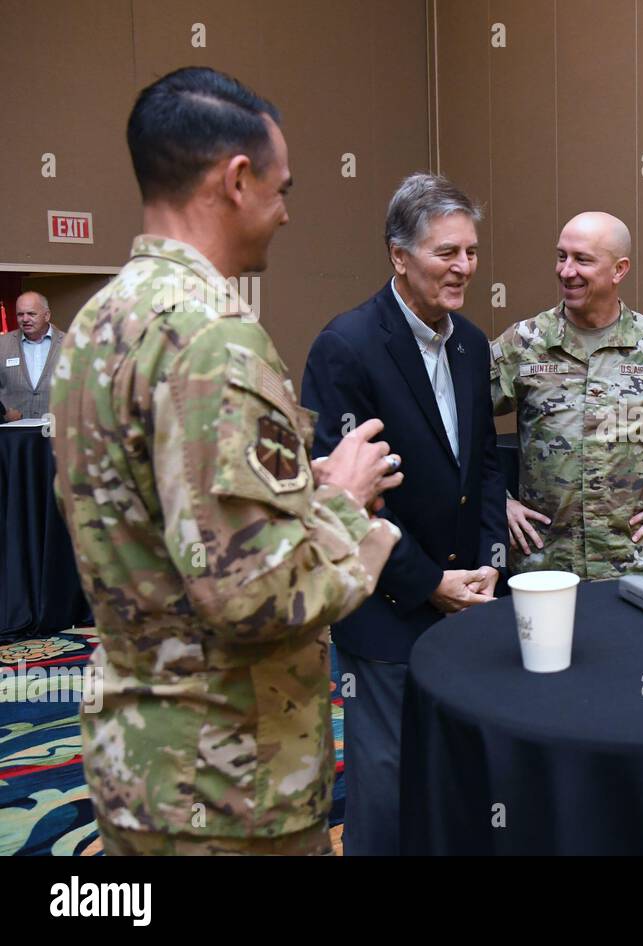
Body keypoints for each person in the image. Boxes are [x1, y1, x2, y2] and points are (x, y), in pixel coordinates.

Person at [49, 67, 402, 856]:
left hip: (137, 762)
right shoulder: (216, 337)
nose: (286, 214)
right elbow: (253, 596)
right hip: (227, 786)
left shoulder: (98, 323)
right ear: (236, 180)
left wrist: (294, 490)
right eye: (282, 190)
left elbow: (151, 514)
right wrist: (342, 501)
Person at [301, 172, 506, 855]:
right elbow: (354, 501)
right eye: (447, 252)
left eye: (471, 252)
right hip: (388, 613)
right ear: (399, 255)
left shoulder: (474, 344)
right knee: (387, 791)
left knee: (458, 776)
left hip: (468, 602)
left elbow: (482, 468)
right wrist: (430, 586)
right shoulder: (347, 346)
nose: (464, 267)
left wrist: (487, 566)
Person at [492, 212, 643, 579]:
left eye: (583, 260)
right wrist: (497, 501)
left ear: (619, 270)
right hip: (545, 565)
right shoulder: (524, 344)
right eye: (562, 256)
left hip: (634, 564)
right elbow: (455, 423)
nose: (566, 270)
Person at [0, 291, 64, 421]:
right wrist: (2, 414)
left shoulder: (70, 344)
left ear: (47, 315)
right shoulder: (2, 344)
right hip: (14, 434)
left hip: (58, 430)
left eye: (31, 314)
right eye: (20, 314)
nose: (25, 319)